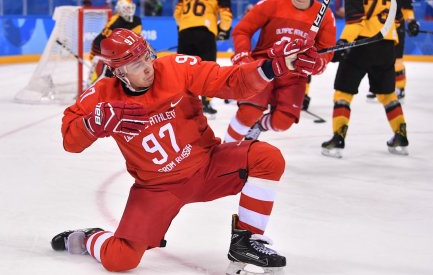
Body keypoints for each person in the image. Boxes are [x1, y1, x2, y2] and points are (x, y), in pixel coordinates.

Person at [52, 28, 320, 274]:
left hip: (207, 166)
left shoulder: (175, 67)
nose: (148, 67)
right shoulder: (102, 96)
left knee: (267, 157)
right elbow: (70, 140)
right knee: (120, 260)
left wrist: (277, 65)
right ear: (118, 72)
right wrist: (92, 123)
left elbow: (230, 81)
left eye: (147, 57)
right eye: (136, 64)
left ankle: (247, 242)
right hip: (156, 188)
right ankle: (89, 238)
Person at [223, 0, 335, 143]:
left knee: (282, 122)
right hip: (265, 66)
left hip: (295, 74)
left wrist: (316, 63)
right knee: (248, 113)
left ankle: (258, 125)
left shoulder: (326, 15)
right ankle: (224, 152)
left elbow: (326, 53)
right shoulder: (271, 3)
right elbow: (242, 30)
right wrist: (243, 56)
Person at [321, 0, 409, 158]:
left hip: (362, 44)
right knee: (388, 95)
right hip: (387, 46)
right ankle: (401, 135)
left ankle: (338, 138)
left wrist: (344, 43)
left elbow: (356, 22)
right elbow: (398, 23)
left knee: (343, 93)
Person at [173, 0, 233, 116]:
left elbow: (177, 12)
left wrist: (185, 25)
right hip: (206, 32)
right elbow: (226, 15)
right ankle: (206, 103)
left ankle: (181, 102)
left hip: (185, 32)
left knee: (182, 69)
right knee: (208, 69)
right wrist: (222, 30)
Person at [366, 0, 419, 101]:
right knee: (375, 58)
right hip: (376, 26)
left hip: (396, 26)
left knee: (397, 59)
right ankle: (376, 87)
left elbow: (407, 6)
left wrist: (411, 21)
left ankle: (400, 88)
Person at [88, 0, 142, 84]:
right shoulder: (114, 21)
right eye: (126, 8)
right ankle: (92, 85)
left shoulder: (137, 20)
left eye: (130, 8)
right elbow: (104, 41)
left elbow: (135, 38)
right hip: (101, 49)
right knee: (104, 76)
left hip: (119, 51)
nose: (129, 10)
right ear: (120, 9)